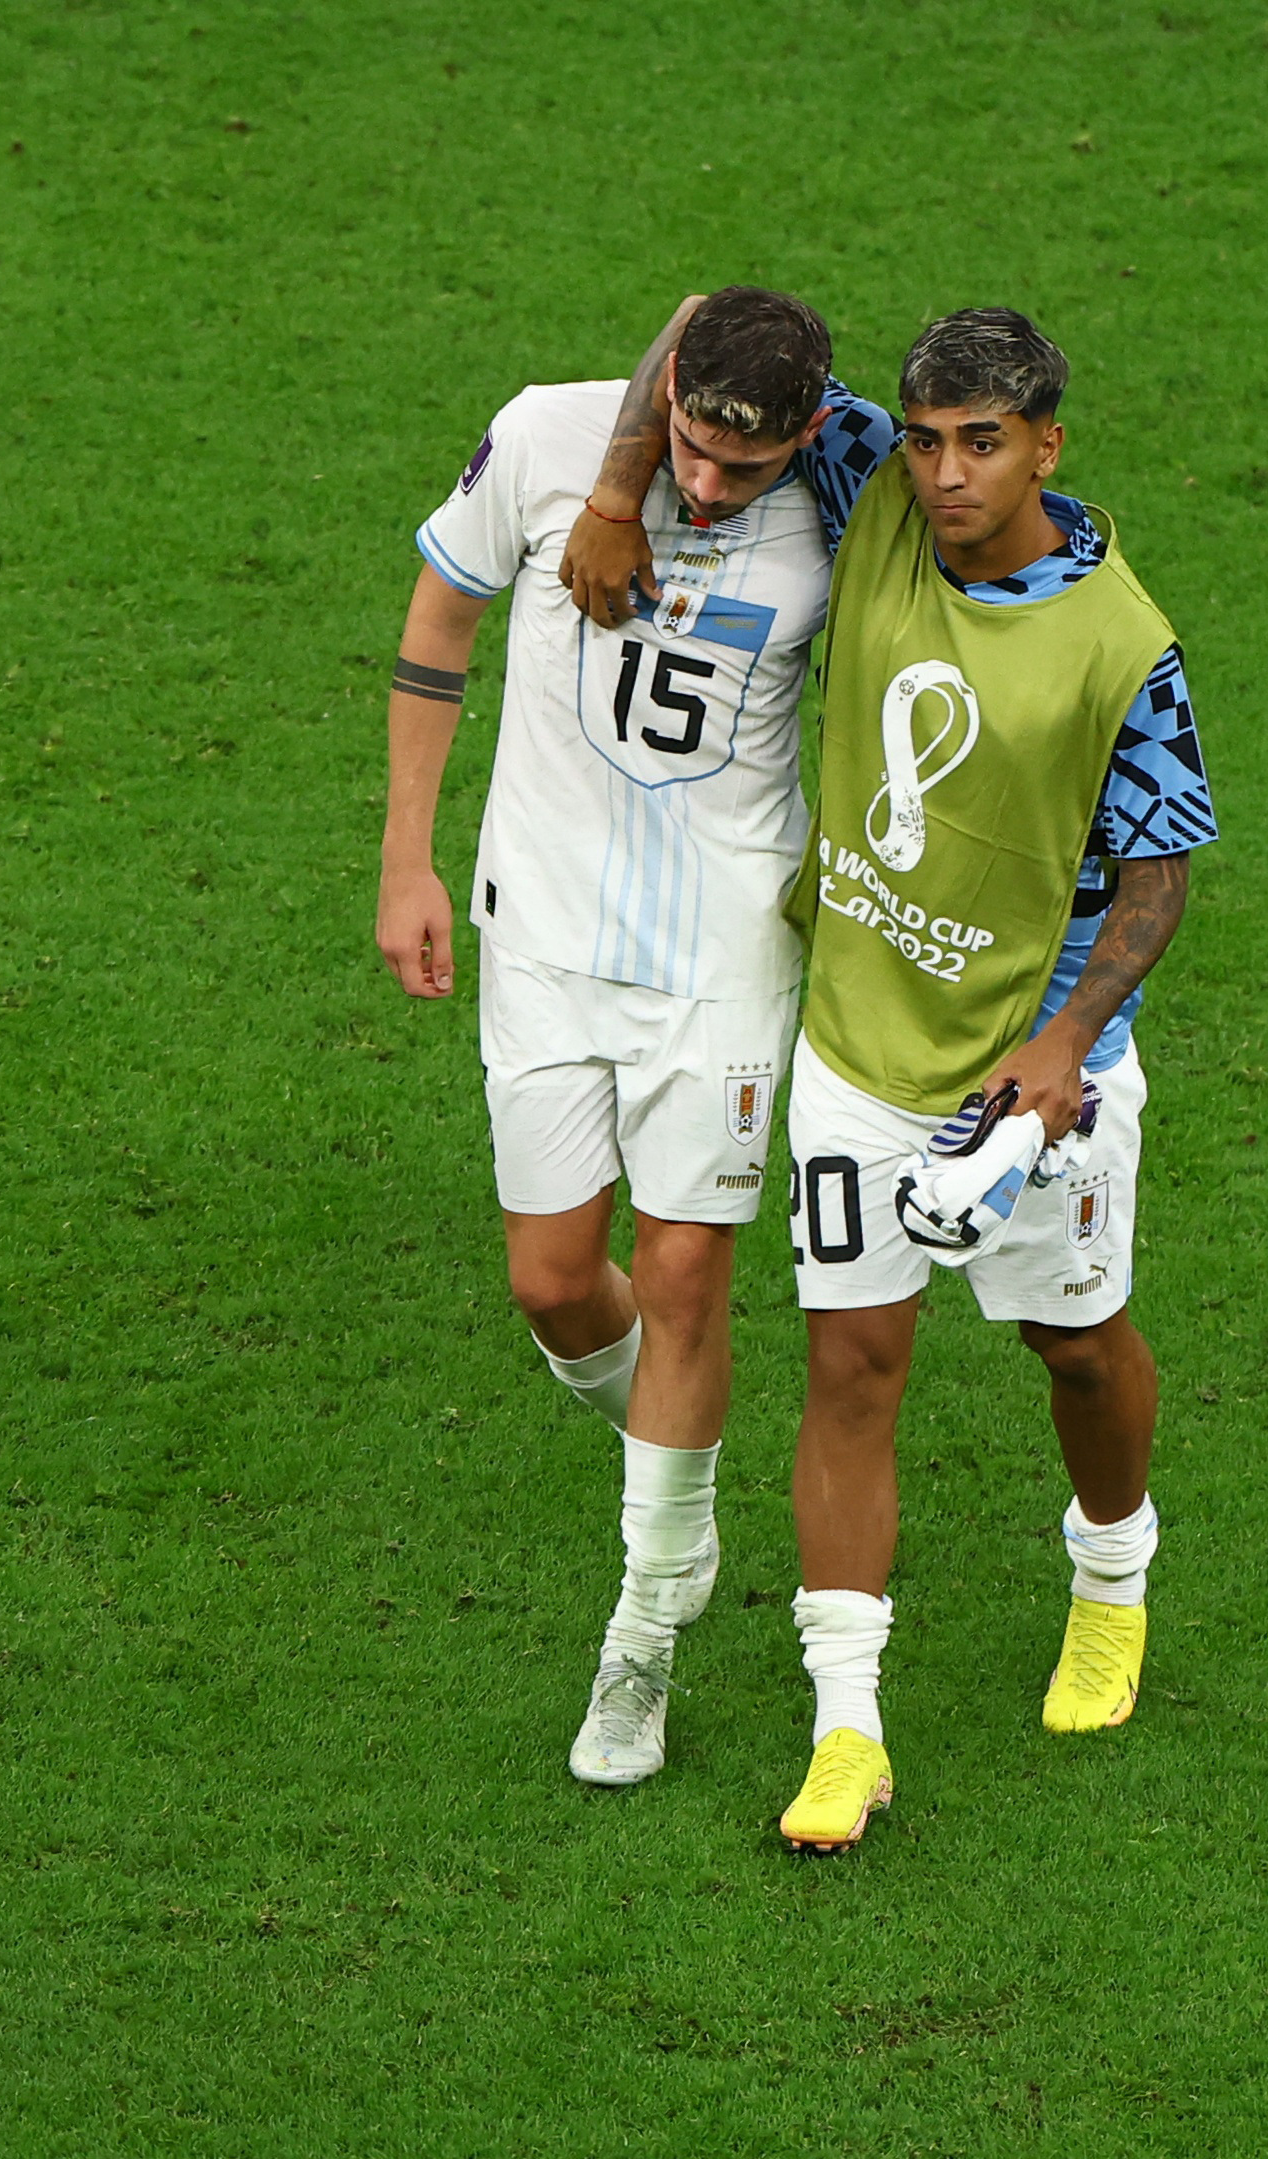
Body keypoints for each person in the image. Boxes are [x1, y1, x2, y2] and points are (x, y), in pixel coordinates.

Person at [568, 306, 1215, 1852]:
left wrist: (1061, 1046)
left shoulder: (1124, 645)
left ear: (1045, 445)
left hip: (1025, 1075)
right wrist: (610, 494)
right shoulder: (864, 479)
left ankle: (1111, 1573)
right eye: (922, 438)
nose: (940, 473)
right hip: (857, 1048)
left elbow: (1156, 882)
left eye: (979, 442)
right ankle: (843, 1726)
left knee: (1075, 1350)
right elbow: (696, 335)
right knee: (852, 1366)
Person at [375, 288, 859, 1788]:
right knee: (547, 1277)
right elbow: (439, 620)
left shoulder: (849, 502)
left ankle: (642, 1631)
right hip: (544, 934)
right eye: (694, 455)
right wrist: (407, 858)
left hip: (722, 957)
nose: (710, 487)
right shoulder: (544, 434)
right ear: (670, 400)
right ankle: (681, 1472)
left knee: (682, 1272)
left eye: (745, 469)